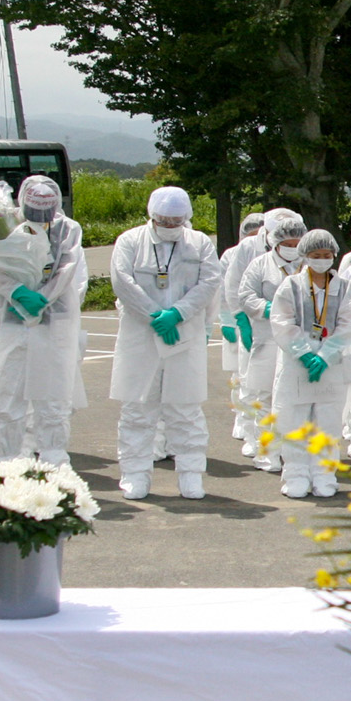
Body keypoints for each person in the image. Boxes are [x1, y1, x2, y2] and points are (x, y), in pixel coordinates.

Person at [108, 186, 222, 499]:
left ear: (186, 218)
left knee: (185, 409)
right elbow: (122, 281)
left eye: (176, 222)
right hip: (140, 335)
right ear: (152, 216)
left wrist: (178, 313)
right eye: (164, 221)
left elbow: (210, 281)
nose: (170, 227)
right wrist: (154, 315)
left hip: (184, 335)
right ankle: (134, 474)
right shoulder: (130, 241)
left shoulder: (199, 243)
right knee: (137, 408)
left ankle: (191, 474)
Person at [0, 175, 87, 465]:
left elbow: (68, 269)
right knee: (7, 396)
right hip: (10, 322)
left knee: (53, 398)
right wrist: (17, 292)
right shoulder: (2, 225)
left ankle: (54, 459)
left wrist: (44, 297)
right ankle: (8, 460)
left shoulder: (68, 229)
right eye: (35, 213)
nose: (40, 219)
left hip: (54, 322)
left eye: (46, 214)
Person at [270, 229, 351, 498]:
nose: (321, 259)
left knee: (328, 421)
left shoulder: (344, 287)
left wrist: (326, 354)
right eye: (315, 255)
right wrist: (303, 352)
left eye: (326, 255)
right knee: (295, 420)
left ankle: (324, 475)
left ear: (333, 255)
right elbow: (282, 321)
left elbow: (349, 323)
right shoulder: (291, 286)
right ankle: (296, 475)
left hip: (330, 364)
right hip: (296, 362)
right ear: (306, 256)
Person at [238, 211, 307, 470]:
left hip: (298, 341)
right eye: (287, 245)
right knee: (264, 396)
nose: (292, 249)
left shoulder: (309, 264)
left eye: (296, 244)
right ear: (274, 242)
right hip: (267, 338)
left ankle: (292, 452)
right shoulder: (260, 265)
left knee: (293, 397)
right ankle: (266, 451)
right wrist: (269, 308)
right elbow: (246, 295)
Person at [218, 212, 266, 447]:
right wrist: (227, 319)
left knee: (256, 378)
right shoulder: (234, 254)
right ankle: (243, 420)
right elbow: (226, 286)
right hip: (240, 319)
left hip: (261, 322)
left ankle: (256, 429)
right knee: (240, 375)